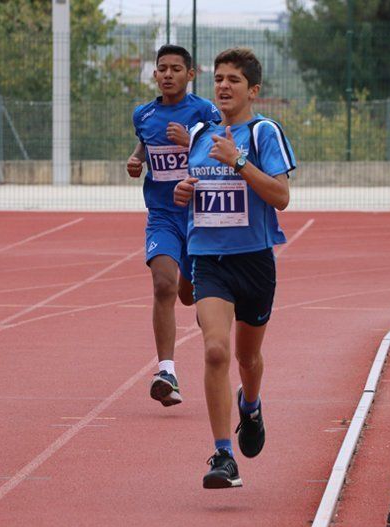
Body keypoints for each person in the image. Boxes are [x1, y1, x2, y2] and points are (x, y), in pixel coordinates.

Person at [173, 48, 296, 488]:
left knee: (248, 358)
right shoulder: (200, 133)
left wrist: (239, 162)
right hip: (210, 261)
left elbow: (281, 197)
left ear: (253, 90)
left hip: (255, 262)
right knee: (215, 351)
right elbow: (196, 196)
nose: (223, 86)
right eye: (219, 78)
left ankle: (252, 405)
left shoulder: (264, 133)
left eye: (234, 80)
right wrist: (185, 193)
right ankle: (223, 456)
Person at [129, 44, 221, 407]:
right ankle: (166, 372)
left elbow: (223, 148)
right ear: (155, 74)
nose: (168, 74)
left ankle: (218, 347)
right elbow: (144, 145)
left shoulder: (203, 110)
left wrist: (193, 139)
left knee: (189, 294)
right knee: (164, 284)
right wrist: (136, 160)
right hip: (163, 216)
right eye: (162, 69)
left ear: (190, 74)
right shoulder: (143, 114)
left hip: (200, 215)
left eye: (176, 69)